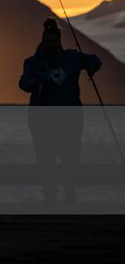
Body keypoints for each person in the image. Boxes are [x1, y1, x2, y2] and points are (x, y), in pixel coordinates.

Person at [18, 18, 101, 204]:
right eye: (47, 42)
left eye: (53, 42)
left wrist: (91, 68)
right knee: (45, 153)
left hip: (69, 117)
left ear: (59, 42)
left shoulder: (72, 58)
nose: (50, 45)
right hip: (42, 118)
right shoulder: (31, 62)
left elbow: (95, 59)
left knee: (71, 152)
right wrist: (32, 84)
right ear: (42, 41)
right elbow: (22, 82)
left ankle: (69, 189)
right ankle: (49, 192)